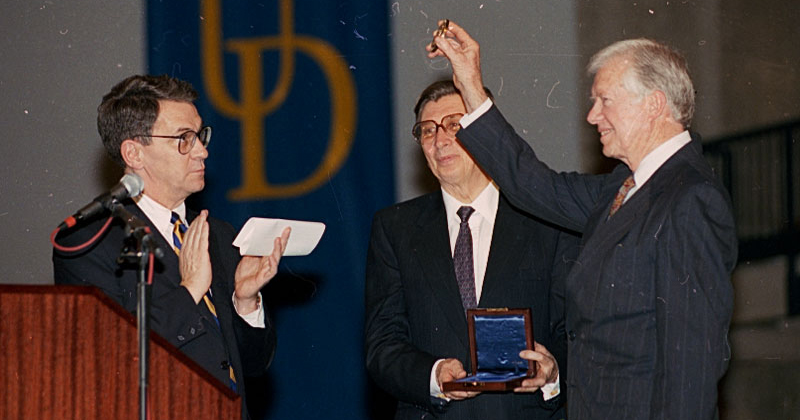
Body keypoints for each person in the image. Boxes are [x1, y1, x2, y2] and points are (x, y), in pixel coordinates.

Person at [428, 21, 738, 420]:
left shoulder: (690, 198)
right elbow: (532, 184)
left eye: (604, 100)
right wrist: (470, 83)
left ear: (654, 104)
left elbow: (691, 364)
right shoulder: (621, 190)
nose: (593, 116)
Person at [52, 74, 289, 420]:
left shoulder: (217, 234)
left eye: (200, 136)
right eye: (184, 139)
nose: (202, 151)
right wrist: (190, 289)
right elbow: (107, 360)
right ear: (134, 152)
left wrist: (246, 300)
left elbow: (251, 366)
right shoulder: (91, 241)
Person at [364, 80, 577, 420]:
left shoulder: (545, 220)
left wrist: (552, 371)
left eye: (454, 125)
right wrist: (433, 376)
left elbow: (577, 333)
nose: (440, 140)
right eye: (427, 130)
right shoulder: (396, 228)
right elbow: (382, 345)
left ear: (486, 133)